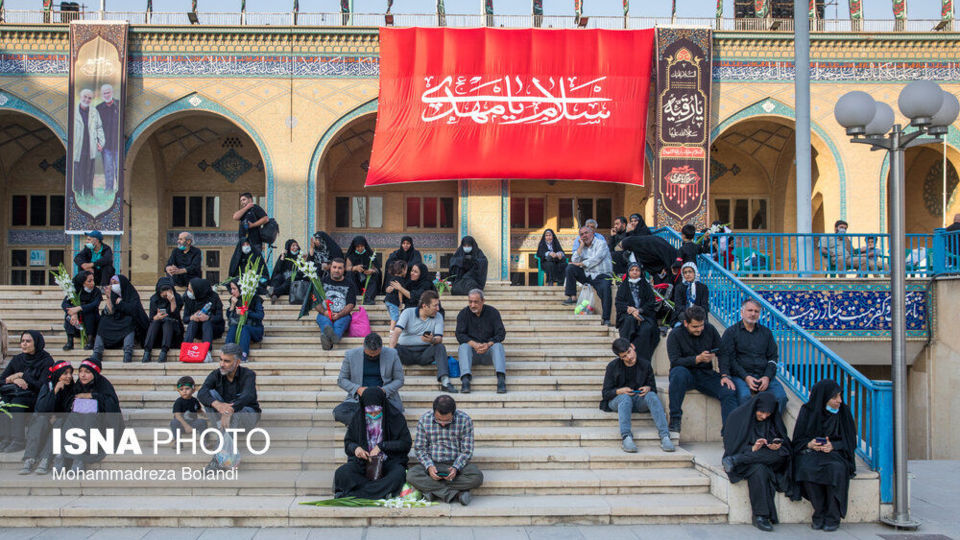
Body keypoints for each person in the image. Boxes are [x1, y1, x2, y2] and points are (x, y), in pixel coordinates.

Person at [721, 392, 796, 532]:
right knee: (759, 469)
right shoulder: (737, 417)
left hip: (755, 458)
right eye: (762, 412)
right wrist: (753, 448)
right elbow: (731, 447)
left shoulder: (772, 419)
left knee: (782, 453)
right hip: (748, 462)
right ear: (755, 407)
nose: (764, 416)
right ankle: (761, 516)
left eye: (768, 413)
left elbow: (785, 444)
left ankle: (735, 461)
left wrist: (774, 445)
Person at [792, 379, 857, 532]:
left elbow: (850, 441)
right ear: (823, 397)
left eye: (840, 396)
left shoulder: (844, 412)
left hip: (836, 454)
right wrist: (810, 444)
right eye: (834, 397)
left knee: (836, 469)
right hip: (812, 453)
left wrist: (834, 445)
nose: (839, 401)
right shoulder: (807, 411)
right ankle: (819, 512)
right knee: (805, 468)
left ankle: (832, 516)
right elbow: (798, 440)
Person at [666, 306, 739, 433]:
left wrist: (725, 375)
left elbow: (723, 353)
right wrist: (697, 359)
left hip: (706, 374)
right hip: (685, 373)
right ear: (686, 323)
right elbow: (675, 361)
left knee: (728, 390)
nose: (699, 329)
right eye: (695, 326)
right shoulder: (675, 334)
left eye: (701, 325)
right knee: (678, 373)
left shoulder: (710, 329)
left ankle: (730, 433)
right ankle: (675, 419)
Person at [333, 387, 412, 499]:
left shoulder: (395, 418)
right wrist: (356, 448)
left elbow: (405, 443)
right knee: (342, 473)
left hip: (389, 462)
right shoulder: (358, 418)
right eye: (370, 412)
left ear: (383, 406)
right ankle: (378, 492)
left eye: (377, 411)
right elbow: (348, 443)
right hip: (364, 463)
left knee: (398, 474)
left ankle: (355, 493)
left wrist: (382, 446)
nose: (374, 415)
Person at [600, 338, 674, 453]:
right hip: (618, 401)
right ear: (620, 357)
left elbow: (653, 388)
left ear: (633, 347)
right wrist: (620, 391)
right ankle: (626, 437)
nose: (629, 357)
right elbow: (605, 393)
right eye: (624, 356)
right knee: (625, 398)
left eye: (629, 352)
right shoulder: (612, 366)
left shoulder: (645, 364)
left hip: (639, 401)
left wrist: (648, 388)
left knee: (651, 395)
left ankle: (665, 436)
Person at [406, 395, 483, 505]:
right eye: (438, 419)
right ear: (434, 412)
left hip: (455, 464)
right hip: (433, 464)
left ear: (453, 413)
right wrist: (429, 466)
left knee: (477, 477)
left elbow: (467, 451)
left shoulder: (465, 420)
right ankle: (455, 494)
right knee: (411, 475)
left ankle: (433, 491)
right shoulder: (424, 420)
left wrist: (456, 467)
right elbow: (420, 449)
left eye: (447, 421)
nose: (442, 423)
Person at [52, 357, 123, 473]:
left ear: (94, 373)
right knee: (71, 418)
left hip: (99, 423)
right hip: (78, 422)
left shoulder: (103, 384)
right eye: (80, 371)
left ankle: (78, 458)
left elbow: (112, 404)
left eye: (87, 372)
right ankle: (63, 456)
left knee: (89, 419)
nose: (82, 375)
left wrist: (92, 396)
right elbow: (67, 403)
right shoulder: (78, 385)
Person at [719, 299, 787, 413]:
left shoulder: (766, 333)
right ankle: (747, 424)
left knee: (781, 398)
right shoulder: (731, 333)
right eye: (750, 310)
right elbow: (730, 360)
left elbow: (773, 358)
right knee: (744, 397)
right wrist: (746, 377)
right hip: (740, 376)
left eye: (756, 311)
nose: (753, 314)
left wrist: (767, 377)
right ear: (742, 312)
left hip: (763, 375)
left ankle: (770, 424)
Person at [197, 344, 261, 455]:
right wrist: (218, 405)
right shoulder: (216, 374)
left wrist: (230, 410)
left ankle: (223, 450)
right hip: (224, 419)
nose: (222, 364)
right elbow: (202, 393)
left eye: (226, 361)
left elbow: (248, 395)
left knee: (236, 411)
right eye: (221, 360)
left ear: (237, 362)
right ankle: (224, 441)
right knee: (209, 395)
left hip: (247, 417)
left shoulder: (248, 375)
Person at [0, 331, 55, 453]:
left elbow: (42, 386)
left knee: (16, 402)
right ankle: (5, 439)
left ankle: (18, 440)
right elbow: (2, 380)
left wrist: (23, 375)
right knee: (3, 403)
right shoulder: (18, 359)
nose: (24, 344)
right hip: (16, 393)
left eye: (28, 341)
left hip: (36, 396)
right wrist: (14, 380)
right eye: (22, 341)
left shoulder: (46, 361)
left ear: (37, 343)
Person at [391, 291, 455, 393]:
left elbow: (439, 338)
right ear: (424, 306)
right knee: (393, 348)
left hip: (425, 353)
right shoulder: (408, 312)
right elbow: (397, 331)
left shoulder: (438, 316)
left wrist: (432, 340)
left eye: (438, 305)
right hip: (406, 352)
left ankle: (445, 381)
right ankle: (388, 379)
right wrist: (390, 351)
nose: (438, 309)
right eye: (435, 306)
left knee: (440, 347)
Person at [334, 332, 404, 426]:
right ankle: (372, 422)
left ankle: (363, 423)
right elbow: (341, 380)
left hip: (384, 398)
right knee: (339, 412)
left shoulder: (392, 354)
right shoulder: (351, 355)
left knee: (396, 414)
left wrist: (384, 390)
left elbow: (399, 379)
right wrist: (358, 389)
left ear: (381, 348)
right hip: (359, 398)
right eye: (370, 354)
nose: (373, 356)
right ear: (364, 347)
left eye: (376, 354)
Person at [19, 360, 73, 475]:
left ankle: (45, 459)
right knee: (40, 418)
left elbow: (69, 410)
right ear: (57, 374)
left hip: (60, 424)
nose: (69, 376)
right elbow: (41, 408)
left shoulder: (72, 388)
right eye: (65, 373)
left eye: (70, 373)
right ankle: (30, 458)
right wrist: (55, 391)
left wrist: (56, 416)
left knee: (60, 422)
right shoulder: (48, 386)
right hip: (44, 423)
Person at [455, 289, 507, 394]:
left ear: (483, 301)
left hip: (489, 353)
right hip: (472, 354)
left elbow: (501, 333)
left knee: (498, 346)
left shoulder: (493, 312)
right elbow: (459, 334)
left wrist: (488, 344)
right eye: (470, 302)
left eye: (476, 302)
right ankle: (465, 380)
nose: (472, 305)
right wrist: (474, 344)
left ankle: (501, 380)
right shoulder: (463, 314)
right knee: (463, 347)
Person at [562, 225, 614, 326]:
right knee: (570, 268)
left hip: (601, 275)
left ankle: (606, 319)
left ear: (592, 233)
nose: (584, 236)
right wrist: (581, 246)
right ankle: (572, 296)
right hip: (588, 275)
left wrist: (582, 264)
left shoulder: (601, 243)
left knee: (606, 289)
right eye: (581, 234)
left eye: (586, 233)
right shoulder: (582, 246)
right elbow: (574, 260)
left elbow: (597, 258)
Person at [92, 275, 149, 365]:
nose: (113, 285)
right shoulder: (113, 294)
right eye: (111, 283)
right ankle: (97, 351)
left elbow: (134, 310)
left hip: (129, 319)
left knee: (129, 321)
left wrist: (121, 303)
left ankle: (128, 351)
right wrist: (108, 297)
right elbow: (110, 312)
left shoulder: (131, 293)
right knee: (104, 321)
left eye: (115, 283)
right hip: (116, 319)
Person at [615, 262, 660, 361]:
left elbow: (651, 302)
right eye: (632, 270)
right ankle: (625, 352)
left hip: (645, 315)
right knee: (629, 322)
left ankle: (642, 359)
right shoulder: (623, 286)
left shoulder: (646, 286)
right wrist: (629, 309)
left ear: (640, 272)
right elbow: (619, 303)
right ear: (628, 272)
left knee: (647, 329)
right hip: (628, 315)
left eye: (637, 270)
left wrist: (639, 310)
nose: (635, 272)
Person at [315, 258, 357, 351]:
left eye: (339, 268)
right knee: (326, 324)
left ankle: (332, 338)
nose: (336, 270)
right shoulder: (322, 282)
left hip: (342, 315)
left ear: (344, 269)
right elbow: (316, 301)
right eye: (334, 267)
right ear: (330, 268)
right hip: (324, 313)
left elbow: (350, 304)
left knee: (339, 324)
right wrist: (325, 312)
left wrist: (339, 314)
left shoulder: (350, 284)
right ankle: (332, 338)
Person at [142, 276, 184, 364]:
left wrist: (172, 301)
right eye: (163, 291)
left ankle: (164, 352)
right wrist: (157, 317)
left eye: (167, 290)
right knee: (155, 322)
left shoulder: (177, 297)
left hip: (173, 330)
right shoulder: (154, 299)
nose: (165, 293)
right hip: (158, 333)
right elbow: (151, 318)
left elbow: (176, 316)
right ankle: (147, 351)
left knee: (168, 321)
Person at [182, 277, 226, 358]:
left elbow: (219, 317)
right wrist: (192, 317)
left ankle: (207, 352)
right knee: (193, 322)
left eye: (191, 291)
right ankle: (185, 349)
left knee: (206, 322)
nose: (189, 292)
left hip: (213, 328)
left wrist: (208, 317)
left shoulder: (213, 297)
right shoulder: (188, 298)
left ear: (198, 290)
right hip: (197, 330)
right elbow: (185, 319)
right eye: (188, 290)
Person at [72, 88, 104, 198]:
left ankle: (88, 194)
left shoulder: (94, 112)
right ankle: (78, 193)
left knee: (89, 172)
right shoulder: (73, 111)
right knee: (77, 172)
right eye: (85, 97)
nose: (86, 99)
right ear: (80, 97)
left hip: (90, 147)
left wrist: (101, 142)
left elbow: (99, 127)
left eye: (89, 98)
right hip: (78, 148)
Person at [225, 279, 265, 362]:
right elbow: (229, 317)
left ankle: (243, 355)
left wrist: (245, 312)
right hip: (238, 328)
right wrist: (232, 305)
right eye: (231, 289)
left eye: (234, 289)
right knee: (233, 328)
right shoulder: (234, 300)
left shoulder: (254, 299)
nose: (232, 292)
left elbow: (260, 316)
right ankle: (228, 354)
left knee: (245, 328)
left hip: (254, 328)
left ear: (240, 288)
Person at [61, 270, 101, 351]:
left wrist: (79, 308)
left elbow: (95, 304)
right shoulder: (74, 291)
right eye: (89, 281)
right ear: (82, 282)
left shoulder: (96, 291)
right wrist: (73, 313)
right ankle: (70, 341)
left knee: (89, 313)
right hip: (77, 323)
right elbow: (64, 304)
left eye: (93, 280)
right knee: (69, 315)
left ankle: (90, 340)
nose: (93, 283)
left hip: (92, 323)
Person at [96, 83, 120, 193]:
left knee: (118, 168)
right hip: (106, 145)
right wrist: (98, 142)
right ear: (102, 94)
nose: (106, 95)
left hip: (118, 144)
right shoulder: (99, 108)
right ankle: (109, 189)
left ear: (112, 92)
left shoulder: (119, 105)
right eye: (104, 93)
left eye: (108, 92)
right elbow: (96, 127)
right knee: (108, 168)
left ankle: (119, 189)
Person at [345, 235, 382, 305]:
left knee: (375, 275)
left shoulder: (370, 255)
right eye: (357, 247)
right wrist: (355, 268)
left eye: (362, 246)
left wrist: (372, 271)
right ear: (354, 247)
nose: (360, 248)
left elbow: (377, 269)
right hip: (356, 282)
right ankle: (354, 297)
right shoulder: (351, 256)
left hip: (368, 282)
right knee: (349, 273)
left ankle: (368, 298)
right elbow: (347, 268)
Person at [267, 239, 306, 304]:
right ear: (288, 247)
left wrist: (304, 260)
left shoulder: (300, 257)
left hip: (293, 284)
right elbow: (278, 270)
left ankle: (274, 292)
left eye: (297, 246)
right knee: (278, 277)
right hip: (283, 282)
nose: (295, 247)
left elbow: (302, 272)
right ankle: (275, 295)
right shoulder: (284, 256)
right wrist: (282, 257)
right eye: (293, 246)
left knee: (290, 279)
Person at [383, 259, 409, 328]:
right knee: (395, 317)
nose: (407, 271)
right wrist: (400, 302)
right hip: (393, 301)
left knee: (394, 317)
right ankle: (392, 331)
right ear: (402, 270)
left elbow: (388, 289)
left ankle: (394, 329)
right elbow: (400, 291)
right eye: (406, 269)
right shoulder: (400, 279)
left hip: (387, 300)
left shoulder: (392, 278)